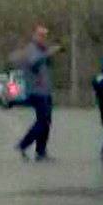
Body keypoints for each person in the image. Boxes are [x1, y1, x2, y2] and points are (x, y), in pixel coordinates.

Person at [14, 25, 59, 161]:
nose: (44, 39)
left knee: (46, 122)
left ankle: (41, 151)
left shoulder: (41, 50)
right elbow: (34, 63)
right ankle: (23, 144)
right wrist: (47, 54)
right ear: (35, 36)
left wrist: (50, 55)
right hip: (36, 90)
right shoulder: (32, 49)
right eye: (41, 36)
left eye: (45, 36)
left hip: (45, 90)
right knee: (42, 121)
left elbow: (47, 67)